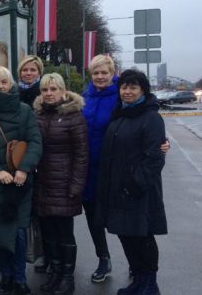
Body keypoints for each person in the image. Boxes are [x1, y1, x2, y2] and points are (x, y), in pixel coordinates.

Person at [96, 69, 167, 295]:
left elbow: (155, 158)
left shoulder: (151, 118)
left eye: (133, 87)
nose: (127, 91)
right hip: (118, 189)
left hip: (139, 191)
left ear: (143, 90)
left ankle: (149, 284)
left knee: (142, 237)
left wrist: (135, 185)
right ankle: (138, 281)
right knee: (126, 235)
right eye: (124, 87)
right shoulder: (121, 114)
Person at [0, 67, 43, 295]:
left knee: (19, 232)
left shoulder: (24, 110)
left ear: (11, 84)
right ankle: (6, 277)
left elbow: (35, 142)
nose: (1, 86)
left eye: (5, 82)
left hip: (19, 182)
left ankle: (20, 278)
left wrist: (24, 169)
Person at [33, 73, 88, 295]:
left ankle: (67, 277)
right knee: (48, 233)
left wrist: (76, 186)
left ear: (63, 92)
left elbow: (82, 155)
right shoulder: (36, 115)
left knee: (64, 234)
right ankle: (55, 273)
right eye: (45, 90)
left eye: (53, 89)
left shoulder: (74, 117)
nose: (48, 93)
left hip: (65, 184)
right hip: (42, 184)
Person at [80, 54, 119, 283]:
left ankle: (137, 263)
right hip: (89, 169)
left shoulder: (120, 96)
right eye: (96, 73)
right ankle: (103, 258)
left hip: (113, 168)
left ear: (112, 73)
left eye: (104, 72)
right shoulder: (85, 97)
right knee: (94, 219)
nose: (100, 76)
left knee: (121, 219)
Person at [17, 55, 46, 273]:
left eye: (32, 70)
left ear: (39, 72)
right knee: (27, 211)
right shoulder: (14, 93)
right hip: (18, 157)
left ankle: (45, 254)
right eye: (25, 70)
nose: (28, 73)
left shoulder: (45, 93)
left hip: (42, 157)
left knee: (42, 210)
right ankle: (32, 253)